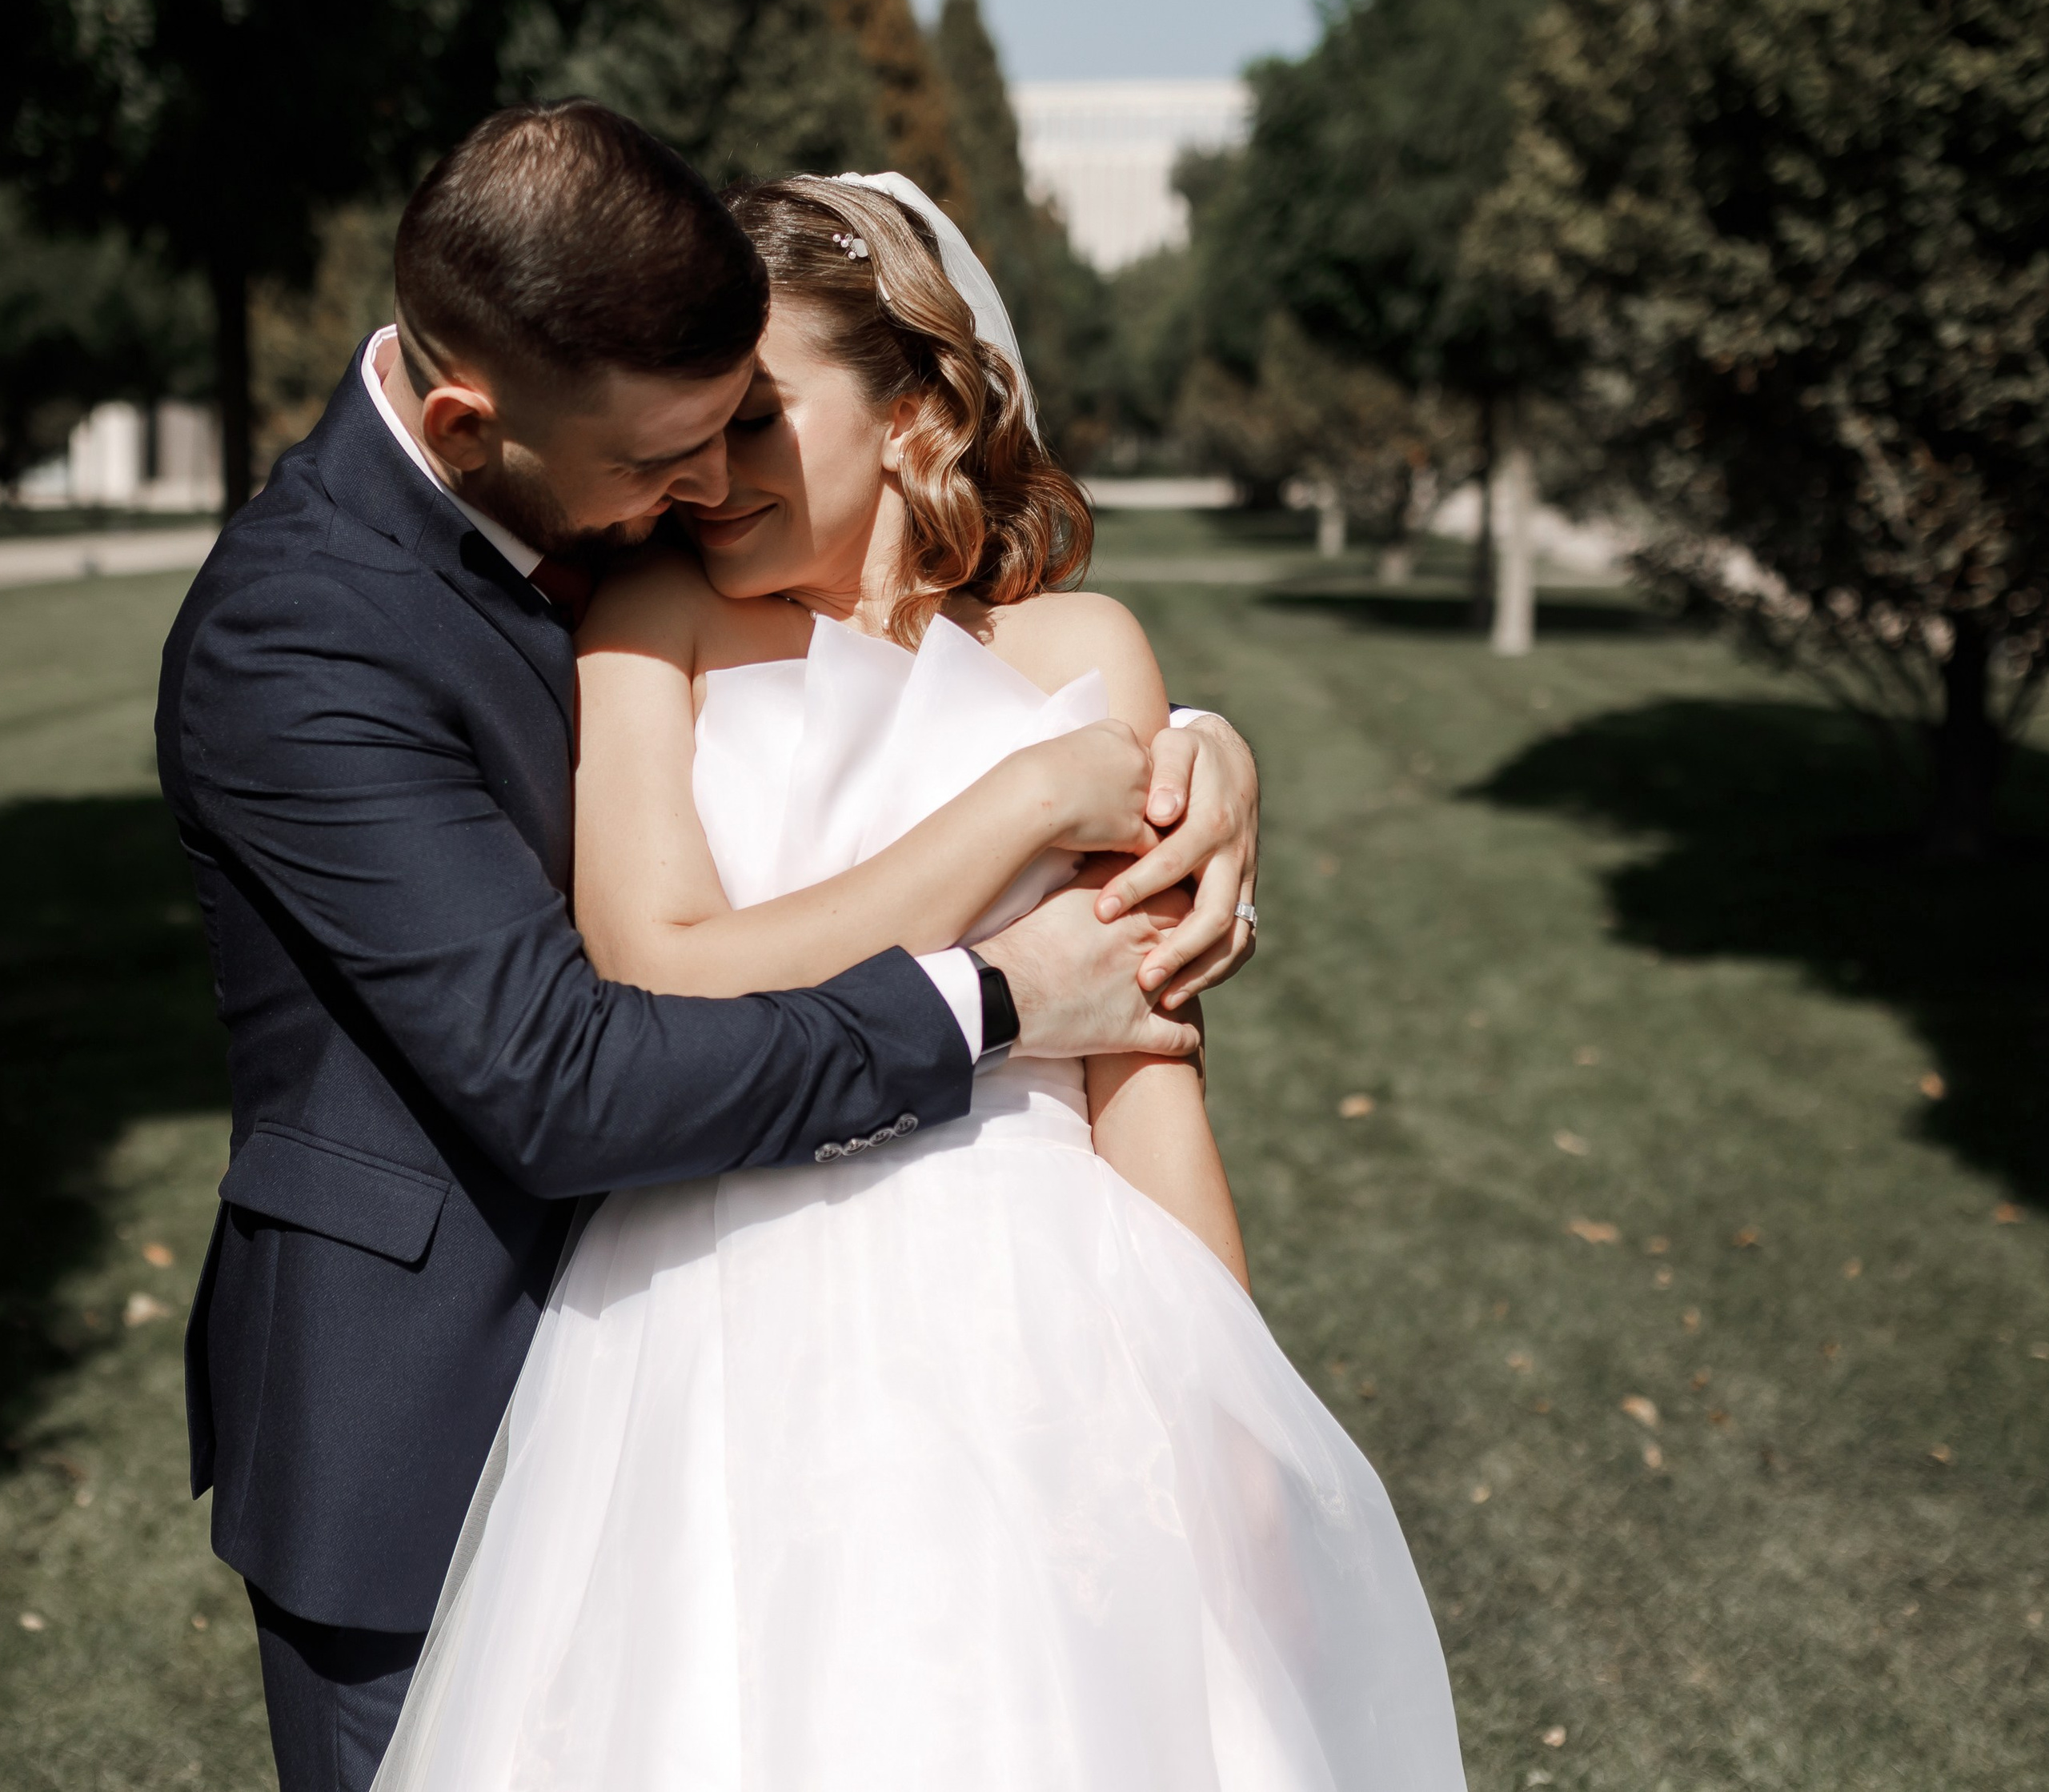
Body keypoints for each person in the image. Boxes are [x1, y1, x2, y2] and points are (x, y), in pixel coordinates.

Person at [156, 102, 1262, 1792]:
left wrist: (1195, 755)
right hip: (447, 1403)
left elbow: (1128, 997)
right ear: (469, 424)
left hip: (981, 1354)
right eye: (668, 454)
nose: (698, 489)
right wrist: (994, 990)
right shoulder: (300, 640)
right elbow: (569, 1067)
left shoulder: (600, 443)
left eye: (738, 422)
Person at [367, 172, 1465, 1790]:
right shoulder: (652, 621)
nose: (706, 475)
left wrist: (1231, 1411)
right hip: (721, 1297)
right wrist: (1017, 806)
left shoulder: (1082, 653)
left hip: (1048, 1309)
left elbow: (1144, 1059)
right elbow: (657, 968)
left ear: (913, 410)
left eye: (755, 421)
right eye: (694, 432)